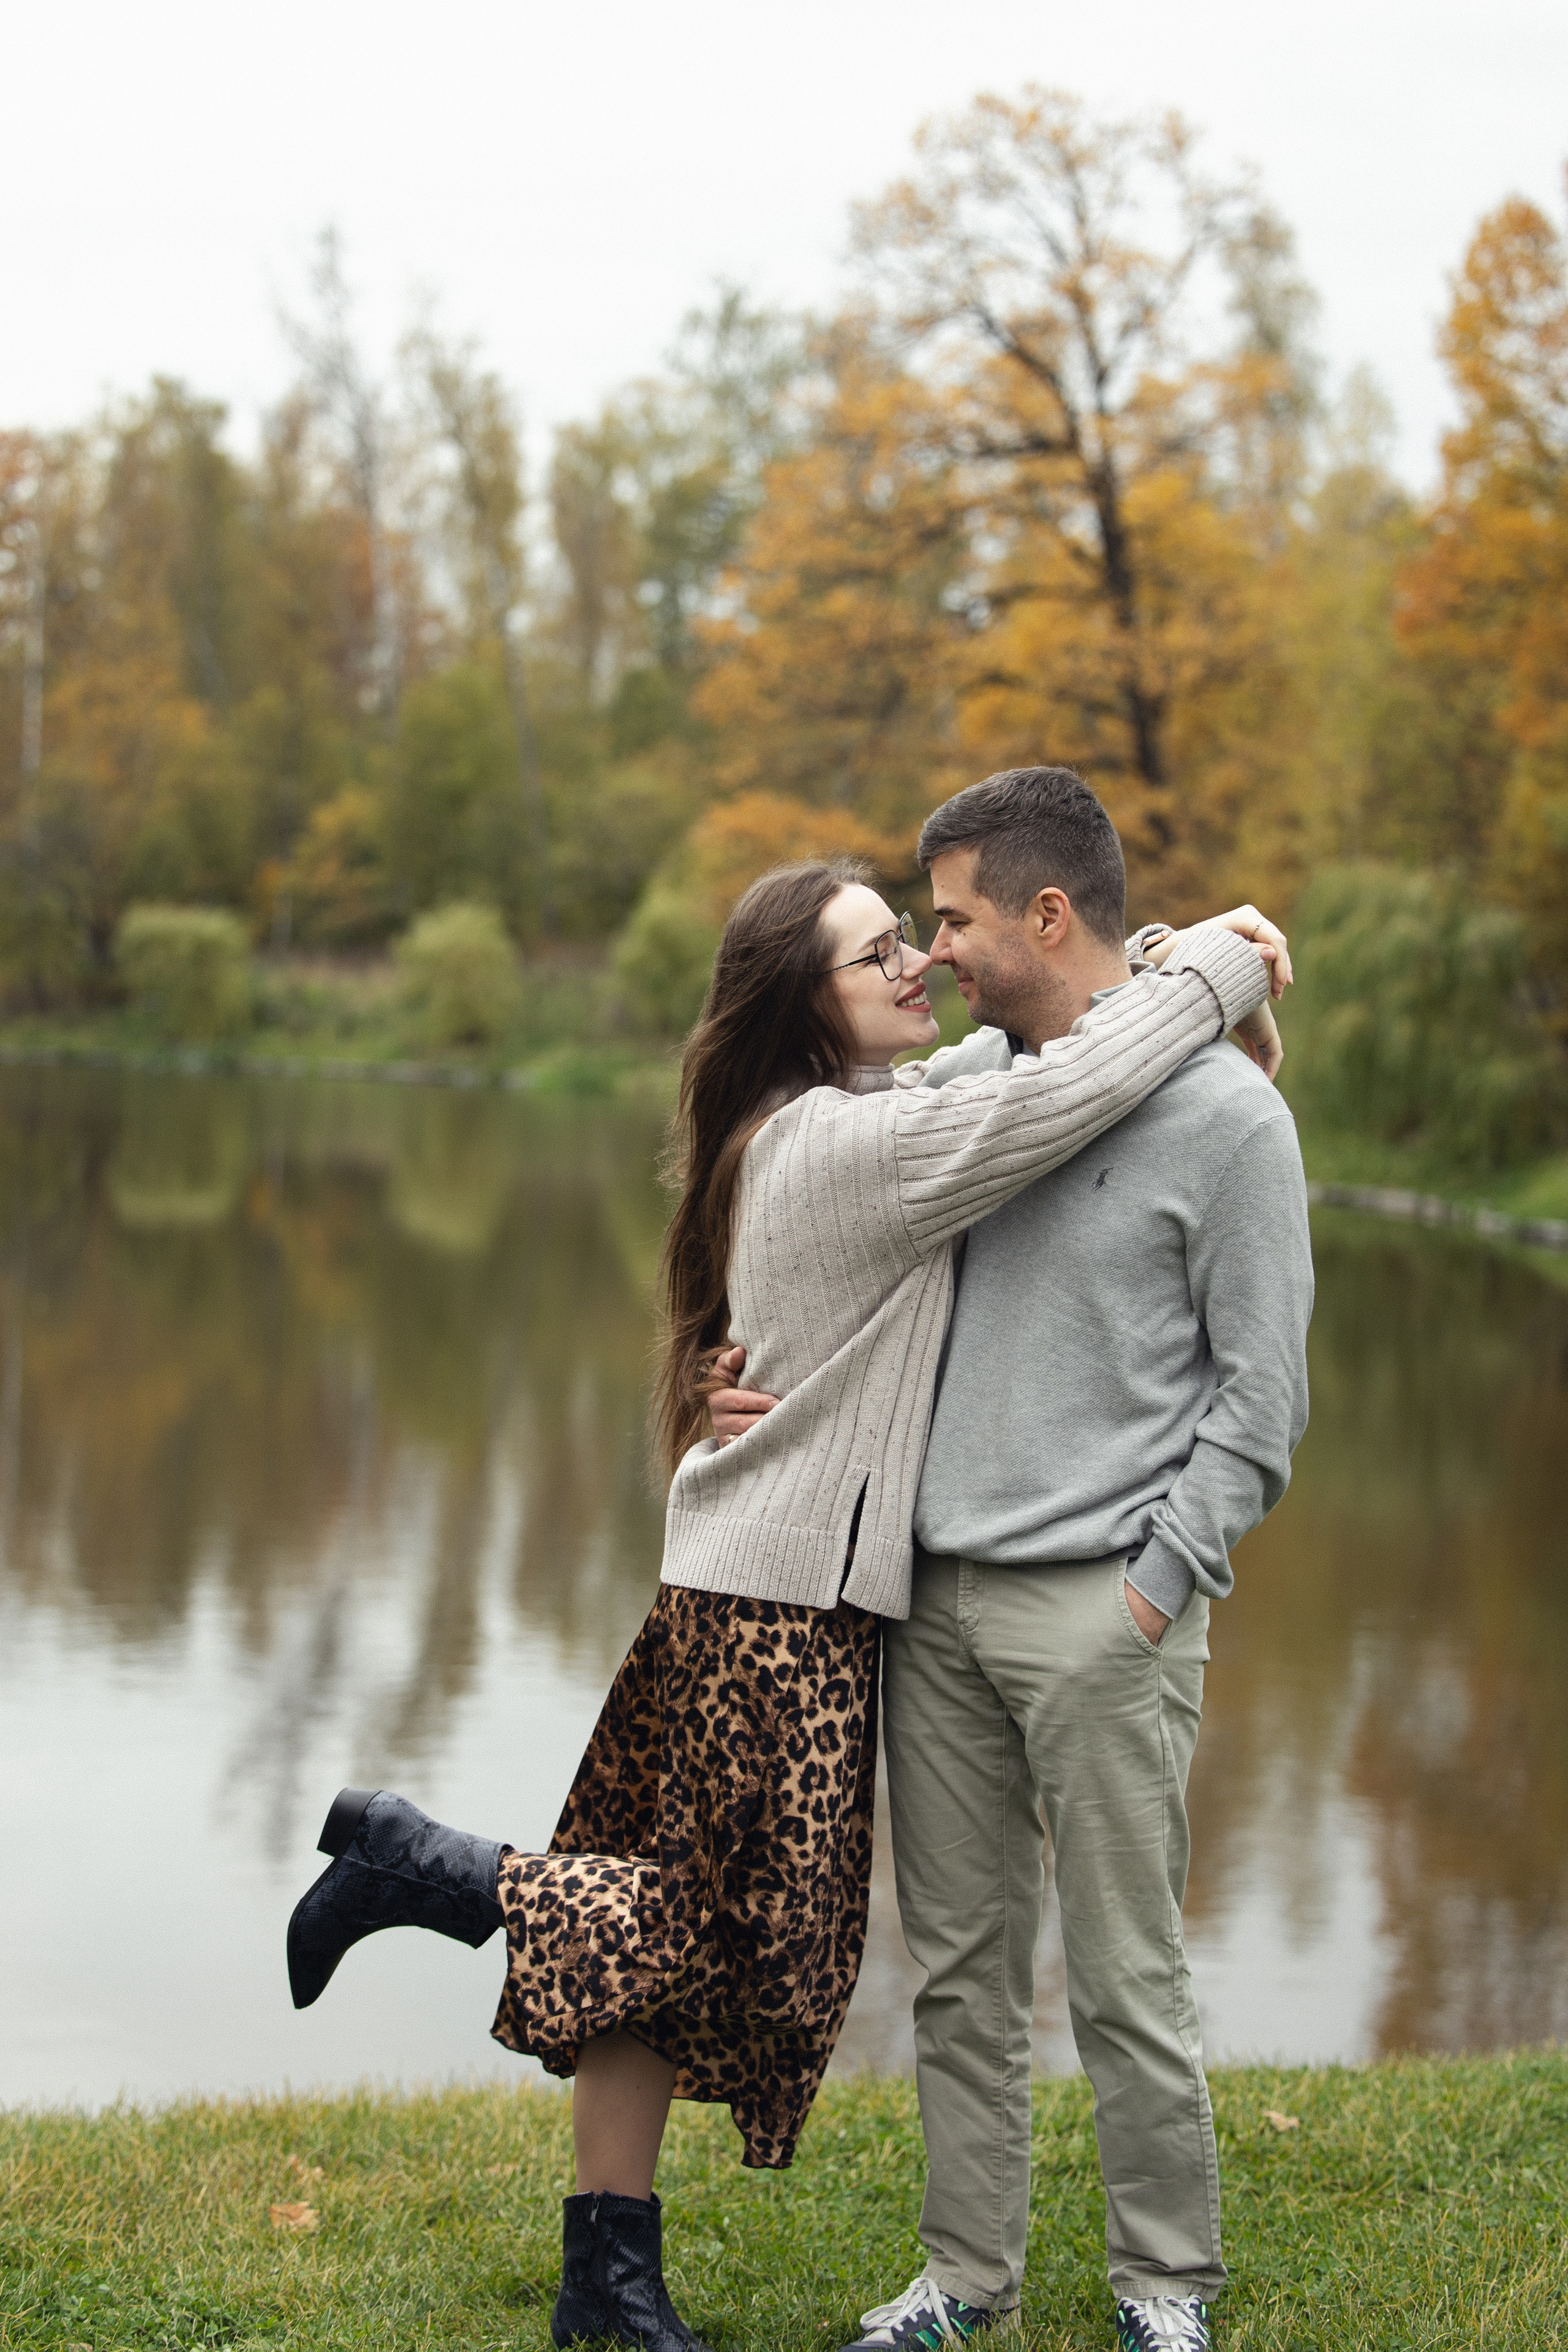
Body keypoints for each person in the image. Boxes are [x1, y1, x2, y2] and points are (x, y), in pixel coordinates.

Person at [285, 848, 1278, 2352]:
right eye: (881, 947)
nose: (918, 966)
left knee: (698, 1935)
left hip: (766, 1585)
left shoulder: (850, 1117)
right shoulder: (839, 1144)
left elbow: (1006, 1065)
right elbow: (1051, 1095)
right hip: (775, 1609)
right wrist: (1212, 959)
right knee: (732, 1942)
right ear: (799, 1003)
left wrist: (1147, 966)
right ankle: (427, 1864)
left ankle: (604, 2277)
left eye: (921, 933)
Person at [709, 769, 1314, 2352]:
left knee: (1127, 1977)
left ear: (1050, 913)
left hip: (1105, 1612)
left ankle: (1166, 2287)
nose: (937, 953)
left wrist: (1154, 1587)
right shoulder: (962, 1096)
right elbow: (820, 1269)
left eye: (959, 918)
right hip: (938, 1607)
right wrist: (726, 1374)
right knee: (963, 1982)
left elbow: (1263, 1402)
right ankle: (963, 2282)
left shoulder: (1233, 1120)